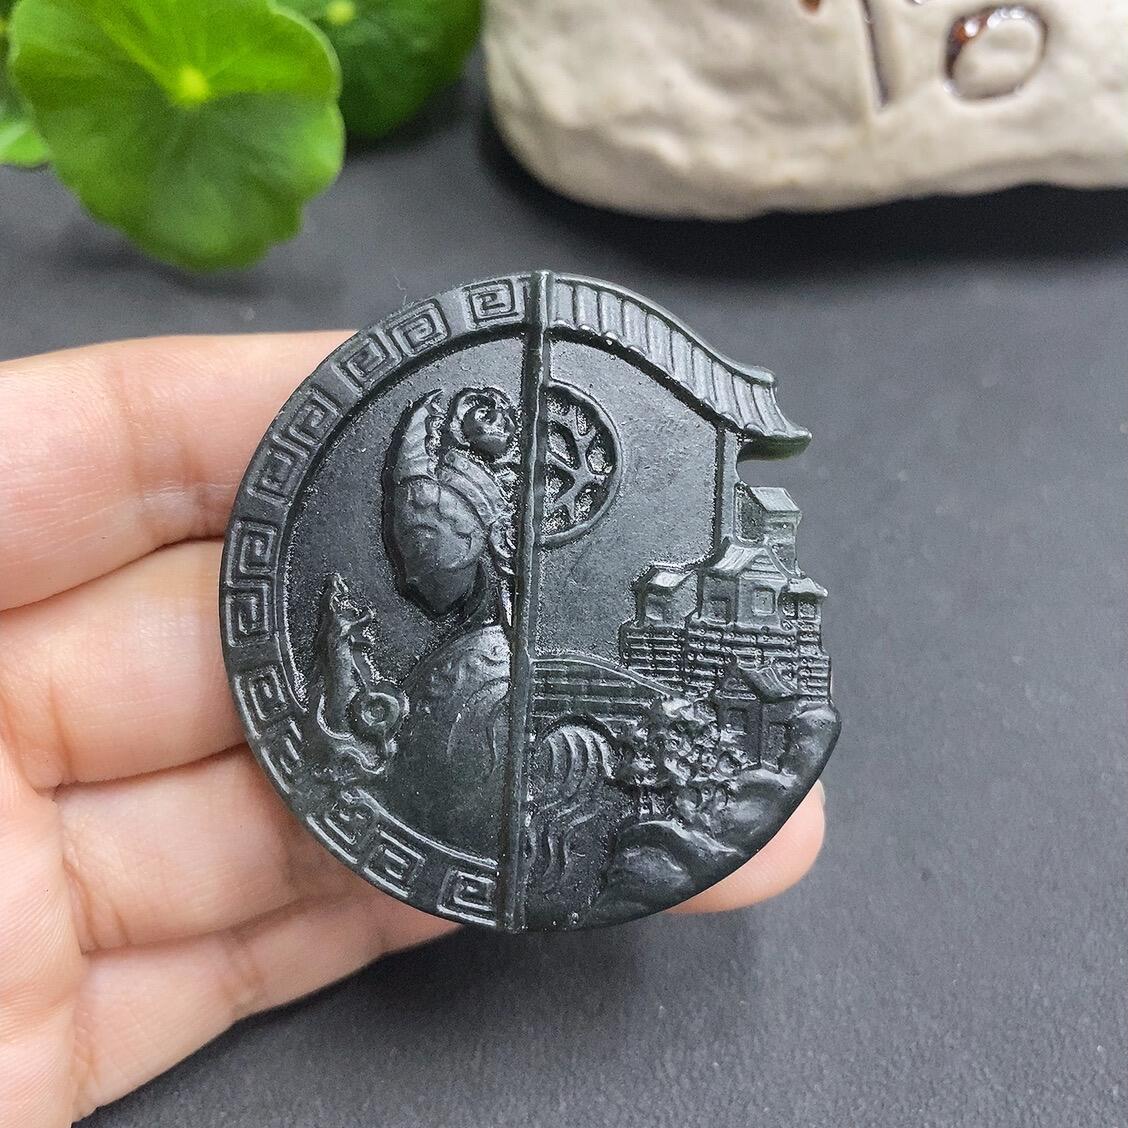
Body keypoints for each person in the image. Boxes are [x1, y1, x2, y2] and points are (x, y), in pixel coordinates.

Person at [0, 333, 827, 1127]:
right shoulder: (454, 654)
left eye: (423, 541)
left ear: (487, 540)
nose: (402, 569)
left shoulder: (491, 662)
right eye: (400, 544)